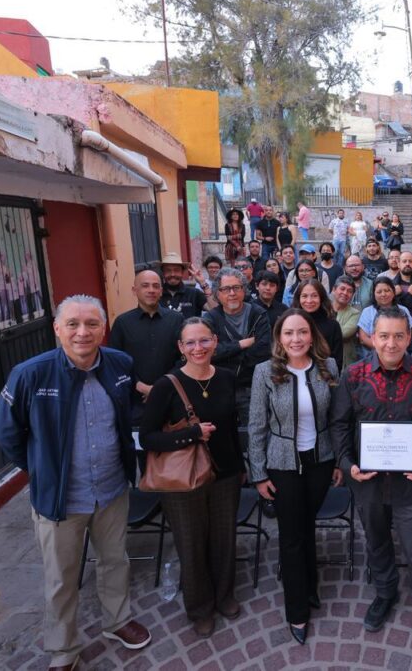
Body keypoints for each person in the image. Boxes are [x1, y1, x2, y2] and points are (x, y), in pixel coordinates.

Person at [0, 295, 151, 670]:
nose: (83, 332)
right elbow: (6, 432)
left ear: (103, 328)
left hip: (112, 489)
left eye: (92, 324)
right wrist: (42, 469)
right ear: (57, 329)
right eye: (73, 324)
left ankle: (117, 620)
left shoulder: (120, 364)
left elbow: (129, 410)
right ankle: (64, 650)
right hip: (60, 499)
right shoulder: (30, 374)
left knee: (115, 560)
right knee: (61, 579)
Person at [330, 307, 412, 658]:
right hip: (367, 481)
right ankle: (385, 592)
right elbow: (339, 424)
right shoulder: (354, 375)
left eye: (398, 336)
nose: (391, 343)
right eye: (384, 336)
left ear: (409, 337)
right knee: (377, 543)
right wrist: (348, 464)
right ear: (372, 336)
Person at [139, 318, 244, 637]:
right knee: (191, 543)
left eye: (204, 341)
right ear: (181, 348)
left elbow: (231, 426)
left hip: (225, 472)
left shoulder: (226, 377)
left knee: (224, 539)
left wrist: (241, 468)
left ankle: (224, 596)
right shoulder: (166, 385)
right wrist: (191, 434)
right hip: (183, 479)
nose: (198, 348)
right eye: (191, 343)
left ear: (215, 342)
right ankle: (200, 608)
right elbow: (147, 438)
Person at [248, 309, 341, 644]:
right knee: (291, 535)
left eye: (302, 332)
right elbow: (256, 425)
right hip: (282, 464)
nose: (296, 339)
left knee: (306, 526)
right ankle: (297, 610)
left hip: (320, 461)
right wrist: (258, 474)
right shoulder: (264, 372)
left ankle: (309, 585)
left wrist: (340, 461)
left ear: (312, 334)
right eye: (288, 333)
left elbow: (338, 418)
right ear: (279, 337)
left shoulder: (329, 366)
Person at [108, 269, 184, 421]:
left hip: (172, 394)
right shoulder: (122, 323)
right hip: (136, 400)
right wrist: (139, 385)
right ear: (134, 290)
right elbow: (115, 362)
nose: (151, 290)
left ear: (161, 291)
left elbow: (184, 357)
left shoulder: (177, 319)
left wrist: (162, 386)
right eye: (145, 286)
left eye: (156, 286)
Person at [202, 268, 271, 428]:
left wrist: (228, 358)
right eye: (226, 289)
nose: (232, 293)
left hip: (252, 387)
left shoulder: (258, 314)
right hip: (220, 387)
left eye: (236, 287)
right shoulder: (211, 318)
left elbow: (263, 351)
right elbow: (208, 351)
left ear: (244, 290)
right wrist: (241, 344)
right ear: (217, 293)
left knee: (254, 431)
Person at [291, 278, 345, 372]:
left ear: (321, 298)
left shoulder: (333, 326)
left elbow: (337, 362)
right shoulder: (290, 324)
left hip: (324, 376)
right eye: (304, 296)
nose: (309, 300)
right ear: (298, 298)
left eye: (314, 296)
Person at [357, 278, 412, 354]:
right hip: (372, 354)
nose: (383, 294)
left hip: (399, 352)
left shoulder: (403, 310)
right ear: (374, 294)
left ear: (393, 292)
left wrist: (394, 349)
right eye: (379, 292)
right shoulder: (367, 312)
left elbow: (408, 334)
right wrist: (383, 349)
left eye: (387, 291)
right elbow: (363, 338)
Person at [160, 252, 207, 320]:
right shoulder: (156, 295)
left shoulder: (194, 293)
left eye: (176, 270)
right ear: (163, 273)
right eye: (168, 270)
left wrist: (203, 283)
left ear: (182, 272)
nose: (172, 274)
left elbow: (213, 309)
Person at [330, 275, 362, 367]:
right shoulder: (323, 309)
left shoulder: (355, 313)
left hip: (345, 361)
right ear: (334, 290)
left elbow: (343, 334)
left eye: (349, 291)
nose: (345, 293)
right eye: (342, 289)